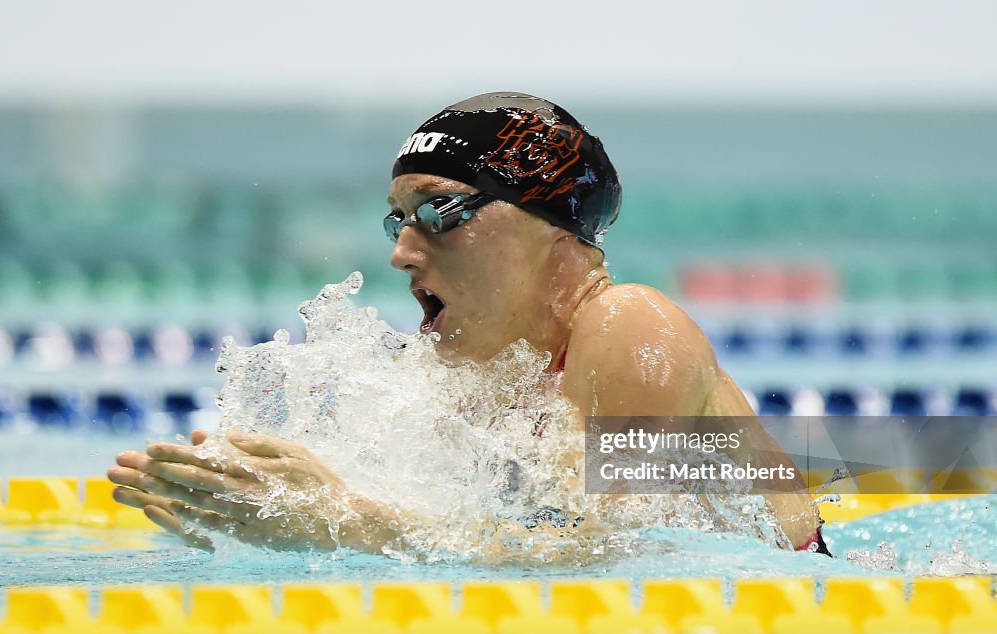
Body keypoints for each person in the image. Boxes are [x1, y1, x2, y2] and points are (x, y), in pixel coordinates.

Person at [108, 92, 829, 558]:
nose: (399, 251)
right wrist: (266, 504)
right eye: (397, 220)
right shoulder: (481, 371)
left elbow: (607, 556)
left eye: (438, 213)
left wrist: (350, 520)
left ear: (552, 231)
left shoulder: (630, 325)